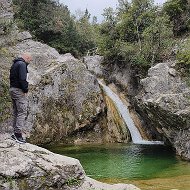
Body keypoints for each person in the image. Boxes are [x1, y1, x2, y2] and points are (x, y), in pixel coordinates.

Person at [9, 52, 32, 143]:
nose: (30, 61)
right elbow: (23, 78)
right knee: (22, 112)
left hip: (12, 89)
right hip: (19, 91)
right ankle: (18, 135)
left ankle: (14, 133)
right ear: (26, 57)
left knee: (16, 112)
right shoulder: (22, 64)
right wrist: (25, 89)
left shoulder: (15, 63)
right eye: (30, 59)